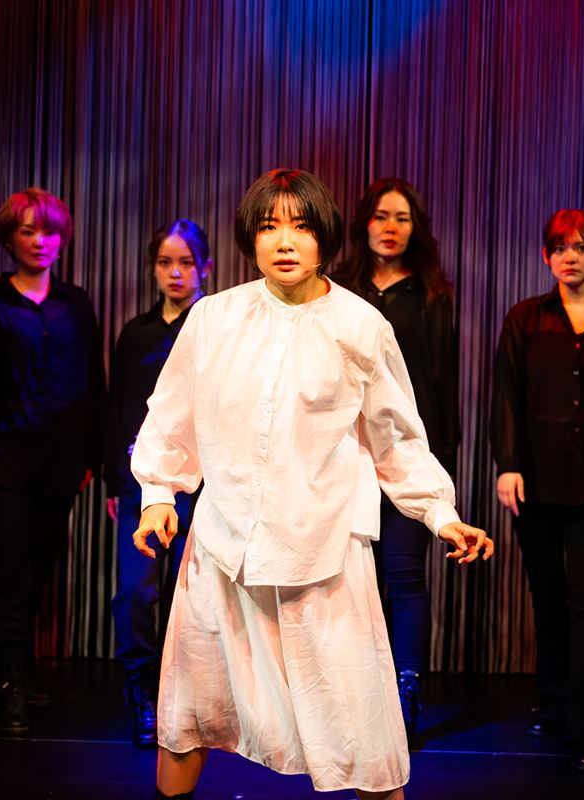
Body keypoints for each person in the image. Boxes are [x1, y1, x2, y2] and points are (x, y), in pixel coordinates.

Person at [131, 168, 492, 800]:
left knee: (364, 731)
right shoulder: (214, 318)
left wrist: (440, 512)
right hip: (224, 552)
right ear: (250, 237)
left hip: (321, 555)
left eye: (300, 226)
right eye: (269, 227)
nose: (284, 241)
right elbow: (170, 418)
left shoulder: (360, 326)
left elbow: (396, 438)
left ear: (324, 235)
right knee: (189, 717)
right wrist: (158, 497)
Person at [491, 209, 584, 772]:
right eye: (560, 248)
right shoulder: (525, 318)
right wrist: (508, 465)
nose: (570, 257)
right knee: (548, 600)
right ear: (546, 256)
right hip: (535, 482)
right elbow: (506, 393)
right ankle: (555, 704)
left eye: (581, 247)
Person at [0, 187, 107, 735]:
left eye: (49, 231)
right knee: (7, 574)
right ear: (8, 240)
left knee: (40, 568)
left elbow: (92, 382)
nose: (40, 241)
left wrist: (91, 454)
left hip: (61, 463)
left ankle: (13, 672)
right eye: (27, 231)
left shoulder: (77, 304)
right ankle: (9, 681)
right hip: (4, 462)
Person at [333, 179, 459, 735]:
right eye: (381, 216)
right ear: (364, 223)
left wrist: (439, 463)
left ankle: (406, 693)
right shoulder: (338, 289)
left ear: (415, 229)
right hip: (345, 456)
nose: (390, 227)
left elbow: (442, 384)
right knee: (347, 578)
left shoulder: (430, 294)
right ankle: (354, 695)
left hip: (406, 455)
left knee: (405, 577)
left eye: (402, 218)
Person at [105, 220, 213, 747]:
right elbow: (120, 407)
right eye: (166, 263)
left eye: (186, 263)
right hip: (142, 482)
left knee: (187, 594)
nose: (176, 273)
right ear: (152, 269)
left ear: (205, 268)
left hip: (202, 484)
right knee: (134, 591)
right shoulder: (137, 332)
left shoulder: (215, 328)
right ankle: (140, 688)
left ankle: (180, 696)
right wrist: (115, 479)